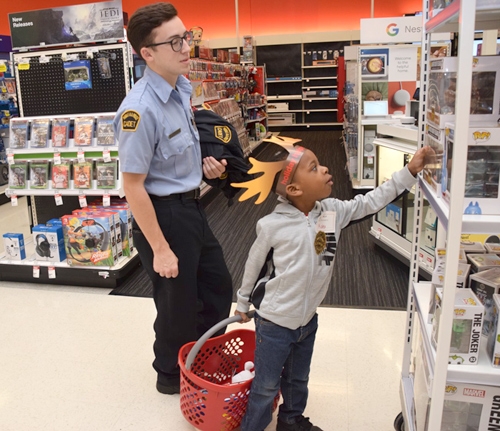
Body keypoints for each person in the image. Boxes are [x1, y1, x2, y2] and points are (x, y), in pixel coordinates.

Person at [234, 141, 432, 431]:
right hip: (274, 323)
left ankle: (290, 420)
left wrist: (409, 172)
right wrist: (241, 303)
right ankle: (252, 426)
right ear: (294, 190)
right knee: (265, 385)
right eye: (314, 167)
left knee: (298, 378)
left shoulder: (332, 212)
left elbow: (371, 201)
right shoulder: (271, 225)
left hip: (307, 319)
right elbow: (254, 263)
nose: (325, 168)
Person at [113, 2, 233, 395]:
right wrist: (160, 248)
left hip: (191, 207)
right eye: (176, 41)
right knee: (176, 305)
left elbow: (178, 152)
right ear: (147, 53)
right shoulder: (138, 110)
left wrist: (205, 167)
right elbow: (133, 187)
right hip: (162, 218)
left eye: (188, 36)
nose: (187, 47)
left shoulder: (180, 88)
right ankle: (170, 375)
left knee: (216, 288)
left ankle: (197, 359)